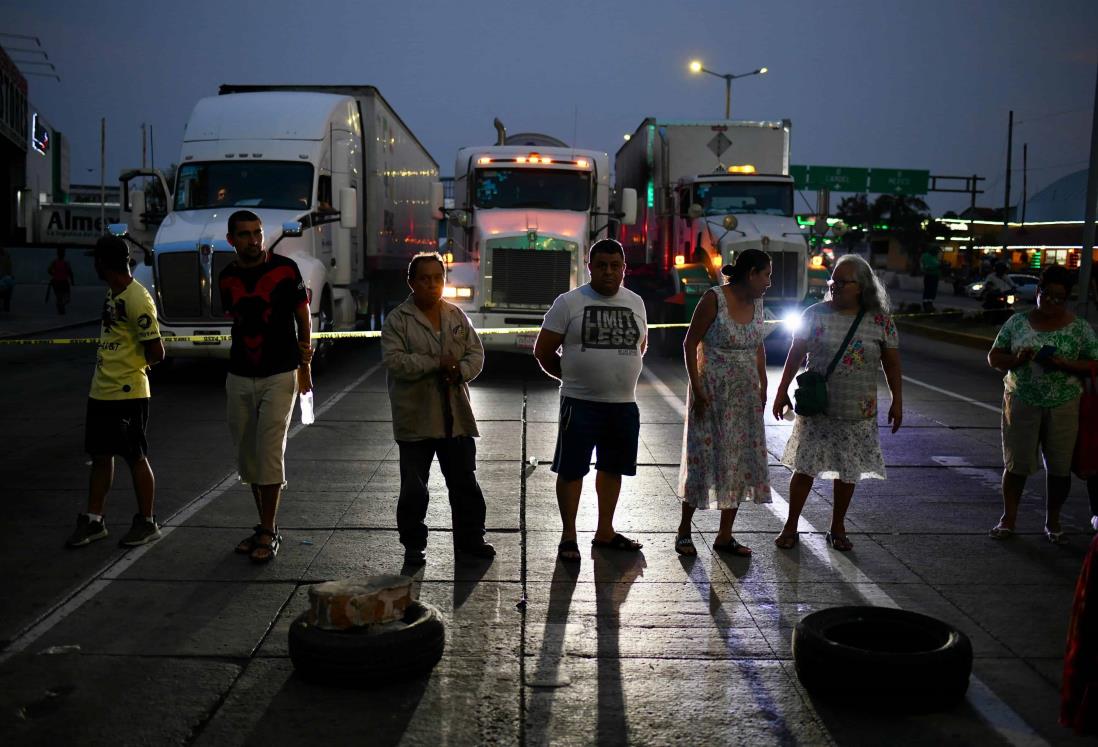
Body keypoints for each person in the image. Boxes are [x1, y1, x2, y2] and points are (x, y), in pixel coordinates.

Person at [771, 253, 903, 551]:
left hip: (858, 412)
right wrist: (781, 392)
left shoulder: (880, 321)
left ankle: (837, 526)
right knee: (804, 468)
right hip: (818, 410)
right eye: (833, 280)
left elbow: (892, 364)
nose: (835, 286)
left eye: (843, 282)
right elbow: (795, 353)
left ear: (862, 286)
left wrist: (897, 400)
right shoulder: (814, 313)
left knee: (847, 472)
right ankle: (791, 525)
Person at [533, 238, 648, 562]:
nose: (608, 272)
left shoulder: (636, 302)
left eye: (615, 266)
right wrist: (573, 379)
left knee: (613, 468)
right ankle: (569, 536)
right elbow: (543, 351)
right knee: (571, 469)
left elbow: (641, 345)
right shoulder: (568, 303)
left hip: (623, 404)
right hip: (579, 403)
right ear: (590, 267)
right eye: (601, 266)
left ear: (624, 268)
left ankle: (605, 531)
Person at [381, 251, 494, 567]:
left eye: (438, 279)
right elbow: (395, 362)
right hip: (416, 419)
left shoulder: (456, 316)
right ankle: (414, 545)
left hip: (454, 417)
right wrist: (434, 364)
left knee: (464, 484)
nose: (432, 285)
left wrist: (459, 371)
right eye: (424, 279)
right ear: (411, 282)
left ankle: (471, 539)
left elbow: (475, 355)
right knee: (414, 489)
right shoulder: (397, 321)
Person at [219, 210, 313, 563]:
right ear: (232, 240)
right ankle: (263, 524)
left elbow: (303, 317)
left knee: (269, 449)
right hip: (239, 373)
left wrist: (306, 367)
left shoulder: (286, 270)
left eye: (257, 233)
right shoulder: (226, 277)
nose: (253, 239)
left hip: (280, 372)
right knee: (247, 455)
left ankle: (269, 529)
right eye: (244, 234)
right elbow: (237, 320)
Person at [65, 236, 165, 548]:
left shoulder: (138, 298)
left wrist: (130, 368)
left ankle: (147, 521)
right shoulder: (113, 293)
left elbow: (157, 351)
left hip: (128, 393)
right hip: (102, 391)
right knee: (100, 455)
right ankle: (94, 520)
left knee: (135, 456)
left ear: (104, 264)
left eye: (96, 260)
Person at [987, 264, 1098, 544]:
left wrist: (1066, 364)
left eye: (1059, 298)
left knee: (1059, 467)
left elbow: (1093, 363)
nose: (1051, 302)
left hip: (1064, 403)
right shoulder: (1017, 323)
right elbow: (994, 357)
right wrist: (1016, 360)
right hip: (1021, 400)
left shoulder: (1079, 328)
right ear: (1038, 292)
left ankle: (1053, 520)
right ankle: (1008, 518)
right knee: (1016, 464)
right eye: (1047, 295)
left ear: (1067, 299)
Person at [675, 249, 772, 557]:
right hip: (712, 392)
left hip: (745, 395)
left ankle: (725, 535)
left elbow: (757, 345)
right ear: (751, 273)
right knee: (702, 458)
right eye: (767, 275)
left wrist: (764, 381)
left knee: (740, 461)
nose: (769, 282)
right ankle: (684, 530)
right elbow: (690, 343)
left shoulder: (758, 303)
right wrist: (698, 388)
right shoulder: (713, 299)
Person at [47, 246, 75, 315]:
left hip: (57, 282)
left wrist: (54, 274)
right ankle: (61, 311)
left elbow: (49, 270)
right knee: (64, 298)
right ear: (63, 254)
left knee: (60, 298)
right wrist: (72, 281)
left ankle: (60, 310)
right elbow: (70, 272)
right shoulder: (64, 263)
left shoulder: (56, 262)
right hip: (62, 282)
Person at [919, 244, 941, 312]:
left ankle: (930, 304)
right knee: (928, 290)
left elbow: (937, 264)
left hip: (935, 276)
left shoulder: (935, 256)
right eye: (937, 251)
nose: (938, 253)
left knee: (933, 291)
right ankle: (926, 305)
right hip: (929, 275)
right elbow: (925, 267)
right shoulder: (925, 256)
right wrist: (937, 266)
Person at [0, 245, 14, 312]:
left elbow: (9, 266)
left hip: (4, 277)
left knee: (8, 286)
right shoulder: (6, 254)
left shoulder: (6, 254)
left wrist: (10, 275)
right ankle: (6, 305)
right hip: (4, 277)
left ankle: (6, 305)